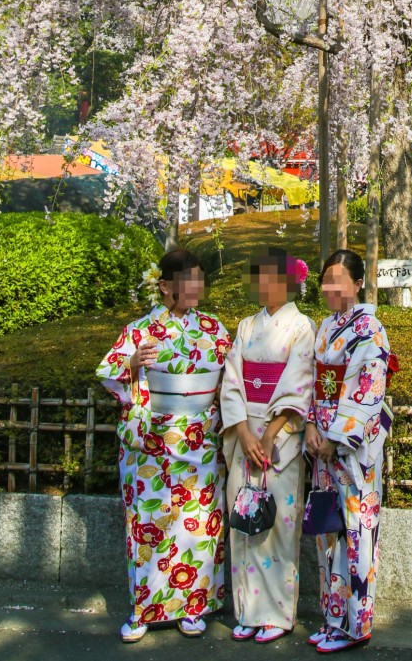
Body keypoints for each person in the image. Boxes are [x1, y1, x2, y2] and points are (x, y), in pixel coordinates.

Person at [97, 248, 231, 644]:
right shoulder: (140, 330)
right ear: (166, 286)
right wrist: (134, 363)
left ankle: (194, 606)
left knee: (200, 524)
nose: (195, 287)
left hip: (201, 437)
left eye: (199, 279)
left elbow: (232, 380)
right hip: (152, 440)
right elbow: (109, 371)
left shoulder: (215, 329)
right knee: (148, 525)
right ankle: (143, 609)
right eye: (188, 280)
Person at [220, 247, 315, 644]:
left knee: (277, 526)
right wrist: (242, 431)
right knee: (243, 522)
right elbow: (232, 382)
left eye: (272, 278)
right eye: (260, 277)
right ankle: (247, 611)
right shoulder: (245, 326)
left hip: (281, 440)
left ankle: (276, 614)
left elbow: (300, 382)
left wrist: (270, 432)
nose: (264, 285)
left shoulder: (303, 327)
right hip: (246, 435)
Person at [305, 249, 393, 654]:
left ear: (358, 284)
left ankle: (356, 625)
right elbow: (313, 383)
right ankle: (331, 617)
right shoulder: (324, 328)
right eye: (327, 279)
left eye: (340, 279)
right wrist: (310, 424)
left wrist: (336, 438)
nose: (331, 287)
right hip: (322, 445)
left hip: (351, 452)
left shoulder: (371, 330)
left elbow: (368, 392)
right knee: (327, 533)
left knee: (356, 533)